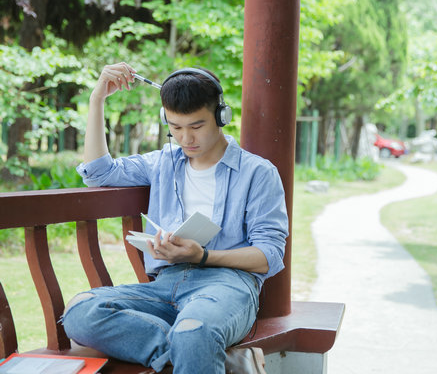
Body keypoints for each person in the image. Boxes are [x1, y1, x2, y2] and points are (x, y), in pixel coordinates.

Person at [61, 62, 288, 373]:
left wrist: (203, 255)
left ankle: (195, 342)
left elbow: (270, 255)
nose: (185, 139)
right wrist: (97, 99)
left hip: (228, 287)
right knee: (79, 312)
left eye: (196, 126)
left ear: (222, 116)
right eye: (175, 127)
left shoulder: (258, 173)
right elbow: (98, 173)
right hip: (165, 285)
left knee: (194, 330)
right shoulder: (163, 163)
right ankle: (205, 352)